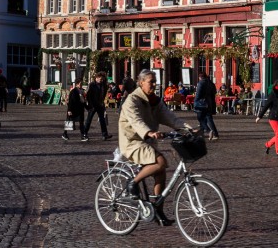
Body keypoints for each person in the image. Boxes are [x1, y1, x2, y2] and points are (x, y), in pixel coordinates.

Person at [119, 69, 194, 226]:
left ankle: (157, 209)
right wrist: (149, 132)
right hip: (132, 141)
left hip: (147, 142)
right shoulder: (132, 100)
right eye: (151, 81)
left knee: (161, 173)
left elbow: (170, 117)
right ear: (141, 83)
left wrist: (188, 129)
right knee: (161, 162)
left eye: (155, 81)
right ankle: (132, 183)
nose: (154, 84)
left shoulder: (155, 101)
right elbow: (136, 121)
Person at [255, 79, 278, 158]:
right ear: (276, 86)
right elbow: (266, 105)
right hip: (274, 117)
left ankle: (267, 144)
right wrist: (259, 116)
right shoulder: (273, 94)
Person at [83, 72, 111, 141]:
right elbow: (87, 94)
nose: (102, 80)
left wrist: (102, 103)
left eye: (103, 79)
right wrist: (89, 104)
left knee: (102, 119)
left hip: (100, 104)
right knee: (89, 119)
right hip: (93, 105)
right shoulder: (92, 85)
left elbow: (103, 94)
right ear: (96, 78)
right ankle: (84, 133)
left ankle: (105, 134)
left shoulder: (103, 85)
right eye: (101, 79)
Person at [193, 72, 219, 141]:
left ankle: (208, 130)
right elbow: (214, 92)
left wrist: (195, 102)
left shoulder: (201, 83)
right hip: (209, 102)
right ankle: (215, 134)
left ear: (200, 77)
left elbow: (198, 95)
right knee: (209, 118)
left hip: (202, 103)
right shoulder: (211, 83)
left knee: (200, 118)